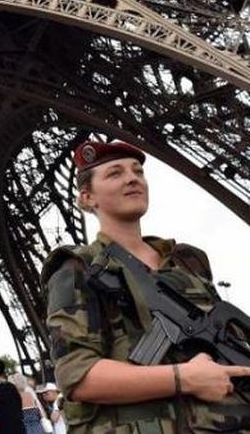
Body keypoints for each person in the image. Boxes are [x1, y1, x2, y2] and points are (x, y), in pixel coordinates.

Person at [43, 139, 250, 432]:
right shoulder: (78, 268)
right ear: (87, 197)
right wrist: (185, 378)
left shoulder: (188, 261)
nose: (132, 178)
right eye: (115, 173)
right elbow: (77, 375)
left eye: (138, 171)